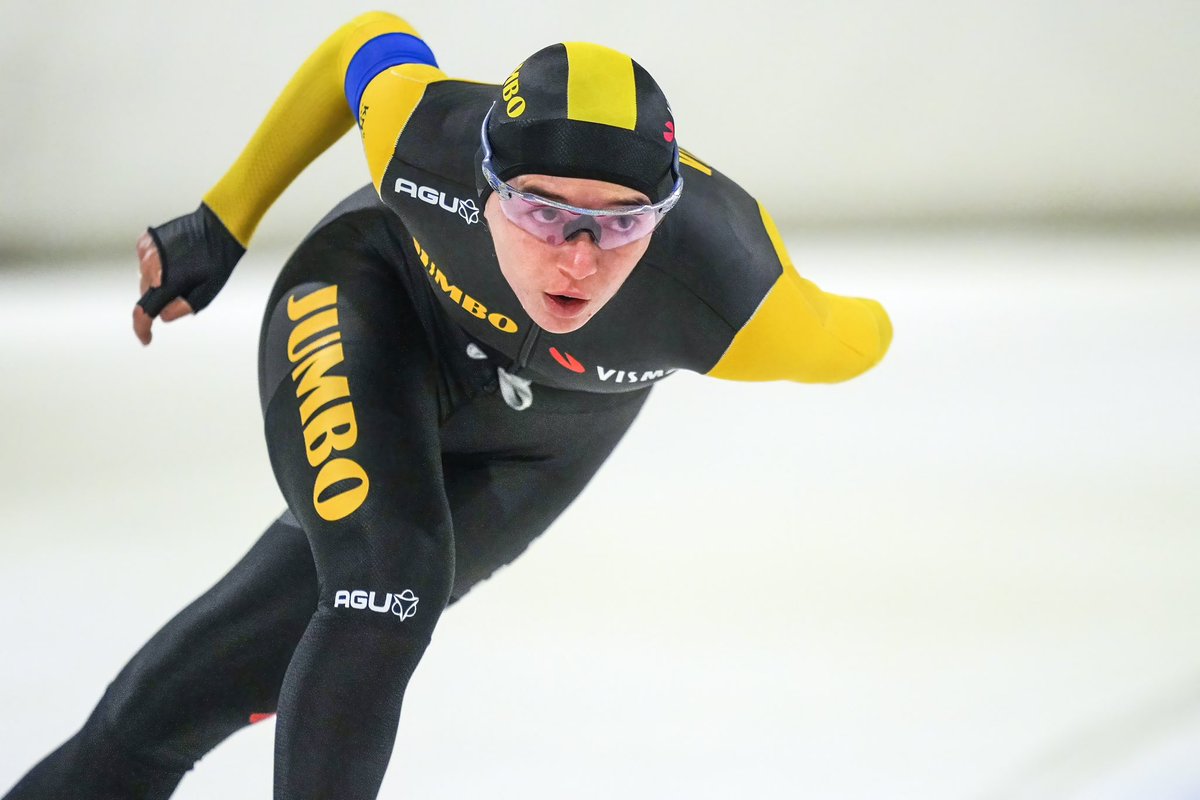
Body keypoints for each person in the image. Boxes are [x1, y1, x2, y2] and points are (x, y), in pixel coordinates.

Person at [3, 11, 892, 800]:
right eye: (542, 214)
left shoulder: (742, 302)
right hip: (371, 306)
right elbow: (367, 39)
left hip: (545, 435)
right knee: (385, 589)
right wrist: (221, 223)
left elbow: (865, 335)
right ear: (484, 181)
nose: (578, 259)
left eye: (621, 224)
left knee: (175, 708)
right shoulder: (425, 138)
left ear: (664, 214)